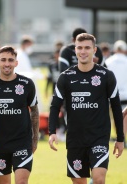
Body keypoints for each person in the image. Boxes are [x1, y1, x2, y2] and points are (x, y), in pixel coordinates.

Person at [48, 33, 124, 184]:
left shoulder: (106, 75)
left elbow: (115, 107)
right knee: (78, 181)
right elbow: (55, 105)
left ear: (94, 50)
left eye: (87, 48)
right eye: (80, 48)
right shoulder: (65, 77)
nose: (83, 51)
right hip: (75, 138)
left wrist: (120, 138)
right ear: (75, 50)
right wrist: (52, 132)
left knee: (98, 179)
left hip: (99, 137)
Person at [0, 46, 39, 184]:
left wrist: (35, 138)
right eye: (3, 60)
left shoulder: (27, 84)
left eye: (10, 60)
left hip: (22, 143)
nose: (7, 63)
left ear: (16, 63)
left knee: (21, 182)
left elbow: (35, 112)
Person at [105, 40, 127, 147]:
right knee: (123, 117)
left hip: (111, 93)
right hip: (126, 94)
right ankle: (122, 137)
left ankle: (111, 137)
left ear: (114, 50)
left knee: (111, 117)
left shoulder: (109, 61)